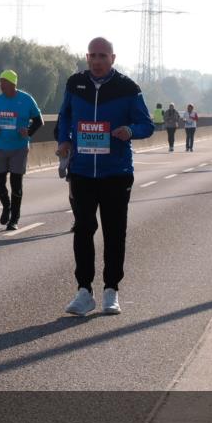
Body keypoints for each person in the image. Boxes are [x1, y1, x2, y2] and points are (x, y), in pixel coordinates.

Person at [56, 37, 154, 316]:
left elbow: (146, 124)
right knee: (83, 228)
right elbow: (65, 117)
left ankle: (111, 290)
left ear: (113, 58)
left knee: (114, 232)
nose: (97, 61)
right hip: (82, 171)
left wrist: (130, 131)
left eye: (103, 56)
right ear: (87, 57)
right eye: (93, 56)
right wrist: (64, 140)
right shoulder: (75, 84)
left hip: (116, 172)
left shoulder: (128, 88)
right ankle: (83, 291)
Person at [0, 69, 43, 230]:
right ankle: (6, 206)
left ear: (13, 84)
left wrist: (29, 132)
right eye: (0, 82)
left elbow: (39, 121)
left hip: (19, 148)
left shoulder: (26, 100)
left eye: (4, 82)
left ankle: (14, 219)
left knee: (16, 184)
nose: (1, 85)